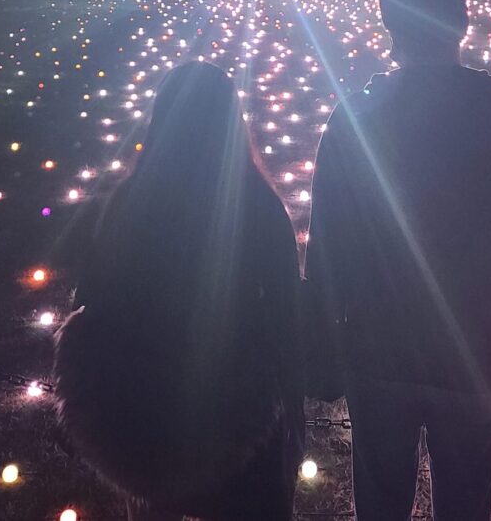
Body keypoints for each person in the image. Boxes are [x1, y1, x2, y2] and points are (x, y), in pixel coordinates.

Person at [304, 0, 491, 521]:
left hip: (377, 354)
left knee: (380, 504)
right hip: (468, 352)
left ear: (390, 29)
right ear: (462, 24)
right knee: (466, 503)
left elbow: (326, 247)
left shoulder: (355, 118)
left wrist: (323, 342)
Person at [54, 61, 304, 521]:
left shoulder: (128, 203)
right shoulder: (260, 206)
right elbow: (288, 313)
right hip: (235, 417)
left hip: (145, 419)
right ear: (233, 124)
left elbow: (92, 300)